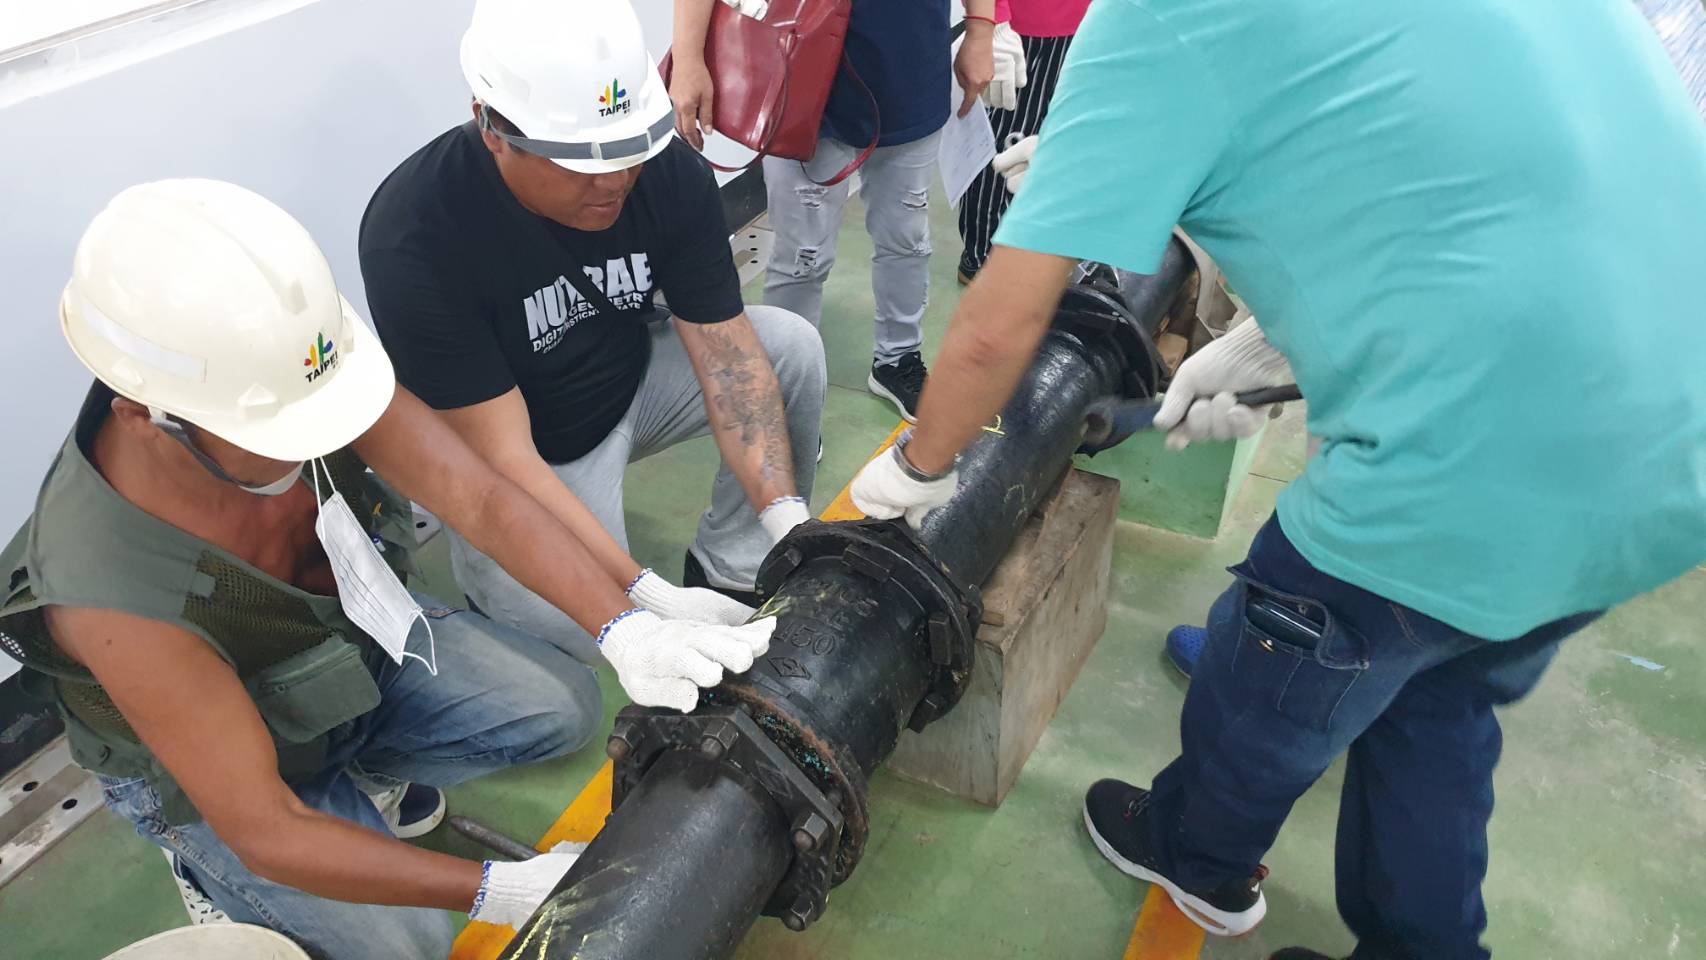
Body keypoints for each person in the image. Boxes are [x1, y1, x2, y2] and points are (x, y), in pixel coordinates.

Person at [848, 1, 1706, 958]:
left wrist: (916, 471)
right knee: (1439, 691)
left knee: (1277, 672)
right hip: (1672, 460)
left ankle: (1197, 853)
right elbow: (1450, 190)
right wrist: (1271, 349)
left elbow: (993, 333)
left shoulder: (1157, 20)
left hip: (1471, 473)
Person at [0, 179, 777, 960]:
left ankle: (356, 773)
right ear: (146, 415)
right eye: (283, 432)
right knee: (406, 942)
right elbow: (268, 829)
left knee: (561, 707)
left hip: (340, 647)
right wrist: (502, 889)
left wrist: (628, 621)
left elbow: (477, 496)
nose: (316, 439)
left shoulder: (288, 375)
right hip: (222, 765)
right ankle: (209, 862)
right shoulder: (112, 590)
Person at [359, 0, 825, 647]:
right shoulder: (416, 234)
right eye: (581, 162)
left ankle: (736, 566)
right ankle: (502, 589)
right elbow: (502, 459)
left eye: (629, 150)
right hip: (532, 452)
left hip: (632, 380)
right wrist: (644, 592)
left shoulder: (664, 170)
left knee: (787, 348)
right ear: (492, 127)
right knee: (585, 631)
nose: (615, 181)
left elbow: (728, 358)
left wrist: (786, 519)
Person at [668, 0, 1009, 421]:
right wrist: (688, 57)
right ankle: (788, 386)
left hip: (912, 68)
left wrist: (980, 29)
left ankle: (899, 358)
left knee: (907, 239)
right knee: (801, 258)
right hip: (802, 76)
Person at [955, 0, 1091, 286]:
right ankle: (983, 255)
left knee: (1059, 138)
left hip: (1087, 21)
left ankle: (1027, 244)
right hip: (1026, 24)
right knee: (1008, 139)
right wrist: (995, 21)